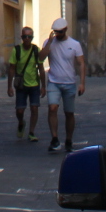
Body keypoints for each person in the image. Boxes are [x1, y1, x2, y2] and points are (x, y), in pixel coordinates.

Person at [43, 17, 86, 153]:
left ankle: (68, 139)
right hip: (54, 81)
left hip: (69, 82)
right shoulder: (49, 43)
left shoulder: (74, 44)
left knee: (69, 113)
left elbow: (81, 63)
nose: (58, 34)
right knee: (52, 108)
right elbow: (40, 58)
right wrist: (49, 43)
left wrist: (82, 83)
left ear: (65, 30)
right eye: (56, 32)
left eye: (60, 32)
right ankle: (54, 138)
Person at [6, 26, 45, 141]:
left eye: (29, 36)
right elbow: (12, 68)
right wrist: (9, 87)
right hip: (21, 85)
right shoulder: (16, 50)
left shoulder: (36, 50)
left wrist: (43, 86)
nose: (27, 39)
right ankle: (21, 122)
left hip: (34, 84)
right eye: (24, 36)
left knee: (34, 108)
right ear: (21, 37)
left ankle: (31, 132)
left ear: (32, 37)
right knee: (19, 110)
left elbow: (41, 68)